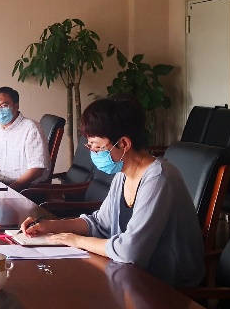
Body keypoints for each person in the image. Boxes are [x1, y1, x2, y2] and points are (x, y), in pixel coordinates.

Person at [21, 95, 205, 287]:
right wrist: (51, 226)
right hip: (133, 274)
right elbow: (100, 223)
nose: (93, 153)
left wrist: (76, 241)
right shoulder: (123, 174)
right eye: (90, 146)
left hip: (169, 286)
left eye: (97, 147)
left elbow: (130, 251)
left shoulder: (158, 179)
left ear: (124, 143)